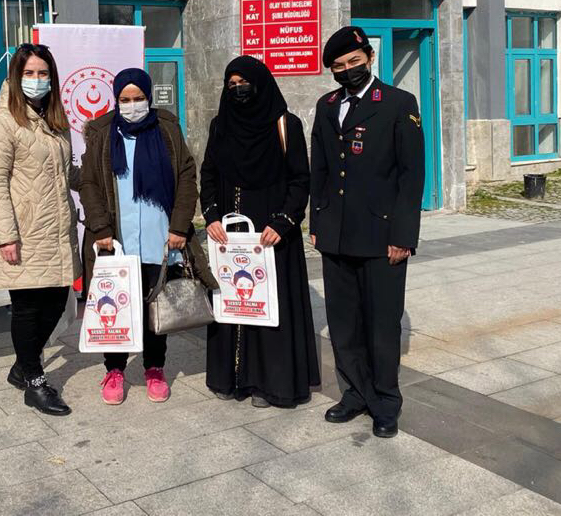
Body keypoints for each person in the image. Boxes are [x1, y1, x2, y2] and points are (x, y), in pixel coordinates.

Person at [310, 26, 425, 438]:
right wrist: (318, 222)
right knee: (344, 323)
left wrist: (403, 236)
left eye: (354, 62)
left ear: (370, 58)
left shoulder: (398, 103)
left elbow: (411, 176)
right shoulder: (327, 106)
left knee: (381, 324)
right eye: (339, 66)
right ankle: (355, 393)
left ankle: (385, 403)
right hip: (337, 233)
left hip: (381, 235)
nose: (348, 70)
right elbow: (321, 168)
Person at [79, 68, 218, 405]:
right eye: (125, 100)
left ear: (148, 96)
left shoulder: (165, 127)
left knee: (158, 304)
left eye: (138, 98)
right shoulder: (102, 132)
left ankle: (154, 367)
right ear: (116, 100)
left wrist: (179, 225)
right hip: (117, 239)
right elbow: (89, 183)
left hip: (160, 237)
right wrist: (100, 228)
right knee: (114, 305)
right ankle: (114, 369)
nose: (132, 105)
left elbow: (186, 176)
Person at [200, 56, 320, 407]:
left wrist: (283, 221)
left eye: (245, 83)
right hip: (229, 235)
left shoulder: (285, 124)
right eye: (232, 84)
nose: (238, 89)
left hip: (271, 236)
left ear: (261, 83)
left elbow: (300, 179)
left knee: (268, 304)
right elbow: (209, 173)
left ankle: (269, 384)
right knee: (233, 300)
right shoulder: (220, 125)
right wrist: (211, 216)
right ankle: (231, 377)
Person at [0, 43, 80, 416]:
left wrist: (100, 179)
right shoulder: (3, 121)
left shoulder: (55, 120)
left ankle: (23, 365)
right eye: (29, 73)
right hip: (23, 232)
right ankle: (35, 383)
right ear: (16, 76)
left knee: (55, 303)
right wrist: (6, 235)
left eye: (42, 73)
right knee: (27, 309)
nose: (36, 80)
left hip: (57, 231)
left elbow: (67, 173)